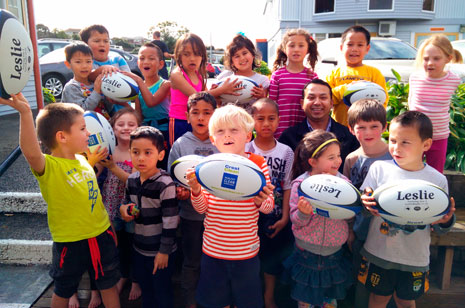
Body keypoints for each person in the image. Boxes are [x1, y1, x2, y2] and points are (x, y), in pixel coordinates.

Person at [0, 95, 120, 308]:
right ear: (62, 137)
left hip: (101, 234)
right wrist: (26, 113)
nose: (89, 133)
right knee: (64, 289)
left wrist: (108, 224)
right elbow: (30, 151)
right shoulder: (49, 167)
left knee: (108, 284)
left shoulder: (83, 159)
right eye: (83, 129)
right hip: (70, 242)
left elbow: (91, 196)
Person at [359, 111, 456, 308]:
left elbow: (440, 225)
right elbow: (363, 208)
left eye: (405, 142)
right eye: (393, 140)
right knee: (377, 298)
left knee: (405, 301)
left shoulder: (437, 180)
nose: (396, 147)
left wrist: (445, 220)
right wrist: (365, 203)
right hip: (380, 252)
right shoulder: (379, 169)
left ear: (426, 145)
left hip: (415, 256)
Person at [185, 104, 275, 308]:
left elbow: (268, 207)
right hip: (213, 251)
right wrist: (196, 190)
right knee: (216, 302)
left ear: (247, 136)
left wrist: (261, 201)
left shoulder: (258, 164)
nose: (227, 135)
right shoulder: (207, 166)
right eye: (220, 131)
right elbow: (201, 209)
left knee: (247, 301)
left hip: (245, 252)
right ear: (213, 139)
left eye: (234, 130)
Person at [284, 130, 353, 308]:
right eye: (331, 157)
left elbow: (351, 213)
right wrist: (303, 213)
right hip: (306, 253)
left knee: (329, 300)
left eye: (338, 155)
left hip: (334, 253)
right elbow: (296, 220)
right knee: (305, 299)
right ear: (313, 162)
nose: (338, 161)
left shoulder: (345, 183)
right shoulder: (300, 185)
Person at [167, 92, 219, 308]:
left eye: (207, 113)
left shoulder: (222, 142)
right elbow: (172, 178)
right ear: (187, 116)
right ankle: (190, 300)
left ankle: (215, 298)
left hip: (218, 217)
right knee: (192, 260)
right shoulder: (180, 144)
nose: (201, 118)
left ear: (215, 116)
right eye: (195, 113)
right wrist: (181, 191)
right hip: (191, 216)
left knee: (215, 261)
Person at [119, 126, 179, 308]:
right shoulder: (131, 180)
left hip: (161, 252)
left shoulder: (165, 184)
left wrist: (163, 252)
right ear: (130, 153)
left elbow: (171, 221)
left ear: (160, 155)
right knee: (147, 292)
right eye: (136, 152)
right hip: (139, 248)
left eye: (148, 152)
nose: (141, 158)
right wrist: (125, 210)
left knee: (163, 293)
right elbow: (126, 203)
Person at [343, 99, 392, 308]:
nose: (368, 132)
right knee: (361, 280)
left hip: (389, 233)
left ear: (385, 127)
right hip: (361, 231)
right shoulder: (351, 159)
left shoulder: (395, 155)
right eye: (361, 127)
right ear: (351, 130)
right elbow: (347, 200)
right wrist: (350, 231)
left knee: (387, 284)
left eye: (374, 126)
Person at [245, 98, 294, 308]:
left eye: (271, 119)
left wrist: (285, 217)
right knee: (250, 258)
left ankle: (269, 296)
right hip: (248, 217)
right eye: (260, 119)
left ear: (278, 121)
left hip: (275, 215)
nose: (266, 124)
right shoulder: (245, 148)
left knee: (272, 260)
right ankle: (251, 295)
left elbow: (288, 185)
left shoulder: (285, 151)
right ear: (251, 122)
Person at [97, 109, 141, 302]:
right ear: (112, 128)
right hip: (110, 203)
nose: (126, 128)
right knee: (117, 245)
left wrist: (113, 166)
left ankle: (136, 280)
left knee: (134, 244)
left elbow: (133, 181)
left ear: (138, 127)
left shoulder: (138, 149)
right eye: (120, 124)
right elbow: (95, 173)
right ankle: (123, 277)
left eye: (131, 124)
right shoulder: (108, 148)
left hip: (131, 205)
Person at [169, 33, 239, 146]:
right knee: (179, 154)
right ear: (178, 56)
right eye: (186, 54)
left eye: (197, 54)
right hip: (179, 121)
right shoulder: (177, 75)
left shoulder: (199, 75)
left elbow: (207, 99)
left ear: (202, 57)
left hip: (197, 120)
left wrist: (218, 94)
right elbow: (196, 97)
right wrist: (222, 90)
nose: (192, 58)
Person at [278, 79, 359, 172]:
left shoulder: (349, 136)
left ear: (331, 103)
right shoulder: (289, 137)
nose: (317, 102)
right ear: (302, 103)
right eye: (311, 98)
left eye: (323, 97)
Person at [408, 34, 461, 173]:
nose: (430, 63)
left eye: (436, 58)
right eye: (426, 59)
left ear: (448, 59)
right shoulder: (415, 78)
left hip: (439, 136)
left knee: (436, 173)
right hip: (415, 135)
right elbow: (411, 102)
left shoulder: (454, 81)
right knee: (411, 170)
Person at [326, 25, 388, 127]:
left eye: (360, 45)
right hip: (340, 127)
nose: (354, 49)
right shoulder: (333, 74)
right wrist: (347, 89)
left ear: (367, 48)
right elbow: (327, 99)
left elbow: (383, 101)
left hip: (366, 129)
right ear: (341, 48)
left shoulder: (374, 73)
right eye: (350, 44)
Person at [124, 42, 171, 169]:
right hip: (145, 133)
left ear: (161, 64)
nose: (146, 61)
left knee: (161, 166)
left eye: (151, 58)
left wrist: (138, 81)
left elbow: (151, 102)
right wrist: (121, 102)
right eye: (142, 58)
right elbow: (139, 116)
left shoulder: (165, 85)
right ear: (138, 63)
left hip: (164, 132)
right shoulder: (138, 88)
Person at [269, 28, 319, 137]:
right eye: (291, 46)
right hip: (280, 131)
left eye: (301, 46)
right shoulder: (277, 75)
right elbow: (271, 105)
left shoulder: (312, 77)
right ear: (284, 48)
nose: (296, 49)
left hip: (304, 132)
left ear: (308, 49)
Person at [80, 24, 132, 112]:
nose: (102, 44)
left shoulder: (117, 59)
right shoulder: (87, 64)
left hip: (123, 111)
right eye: (97, 41)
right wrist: (101, 69)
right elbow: (89, 77)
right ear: (86, 45)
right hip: (102, 112)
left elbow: (130, 80)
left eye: (106, 41)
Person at [217, 34, 269, 111]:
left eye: (244, 53)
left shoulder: (262, 80)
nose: (242, 58)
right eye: (237, 56)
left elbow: (263, 107)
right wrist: (216, 94)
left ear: (253, 55)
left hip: (250, 122)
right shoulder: (225, 77)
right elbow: (219, 104)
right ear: (232, 62)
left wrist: (262, 97)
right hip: (228, 121)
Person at [61, 43, 109, 117]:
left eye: (88, 61)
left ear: (92, 62)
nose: (84, 66)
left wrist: (109, 99)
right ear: (68, 64)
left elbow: (106, 109)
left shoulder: (95, 83)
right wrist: (96, 92)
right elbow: (81, 112)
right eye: (78, 62)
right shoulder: (71, 87)